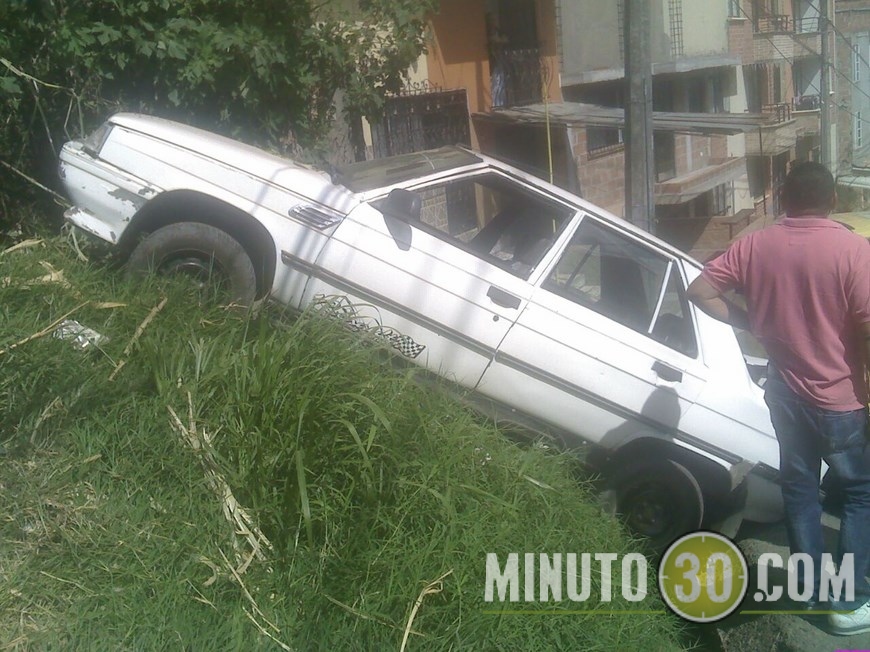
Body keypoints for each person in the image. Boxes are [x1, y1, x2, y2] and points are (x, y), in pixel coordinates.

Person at [687, 161, 870, 635]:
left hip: (785, 393)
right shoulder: (854, 250)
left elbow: (701, 290)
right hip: (841, 401)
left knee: (801, 490)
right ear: (832, 201)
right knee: (857, 495)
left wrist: (754, 323)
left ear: (786, 198)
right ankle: (848, 602)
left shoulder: (754, 244)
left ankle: (811, 592)